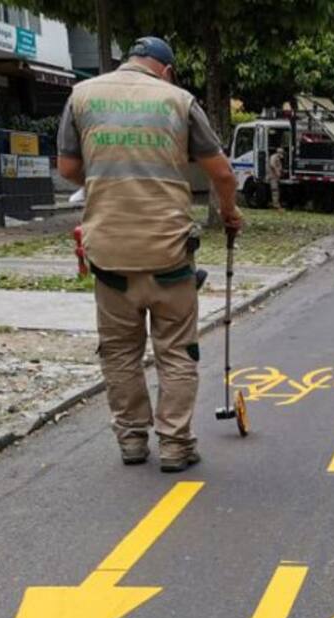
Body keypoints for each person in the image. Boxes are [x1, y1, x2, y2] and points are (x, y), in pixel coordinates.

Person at [56, 36, 244, 473]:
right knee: (176, 352)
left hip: (109, 255)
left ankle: (132, 441)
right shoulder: (179, 101)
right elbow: (222, 173)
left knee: (120, 352)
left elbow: (67, 170)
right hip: (169, 255)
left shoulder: (81, 96)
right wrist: (230, 215)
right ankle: (176, 445)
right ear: (166, 69)